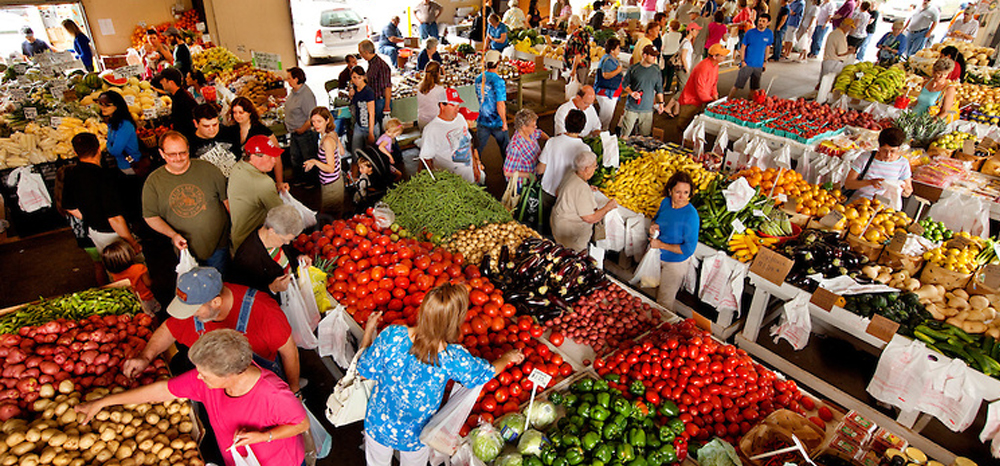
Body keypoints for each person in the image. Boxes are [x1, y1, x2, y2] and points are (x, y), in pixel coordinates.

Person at [80, 329, 308, 466]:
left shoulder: (273, 394)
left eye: (205, 374)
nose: (198, 377)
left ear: (230, 374)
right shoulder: (208, 380)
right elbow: (162, 390)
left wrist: (263, 437)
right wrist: (102, 402)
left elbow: (301, 423)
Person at [358, 283, 524, 466]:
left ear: (423, 310)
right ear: (455, 322)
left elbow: (365, 369)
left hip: (378, 423)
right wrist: (508, 357)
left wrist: (368, 332)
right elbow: (485, 373)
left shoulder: (393, 335)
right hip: (416, 434)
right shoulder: (453, 358)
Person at [123, 267, 302, 393]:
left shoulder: (264, 312)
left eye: (193, 310)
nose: (189, 315)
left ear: (216, 302)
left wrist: (294, 389)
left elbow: (289, 352)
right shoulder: (199, 311)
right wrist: (146, 356)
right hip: (215, 385)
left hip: (257, 384)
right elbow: (169, 329)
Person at [143, 131, 230, 273]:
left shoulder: (209, 169)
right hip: (185, 250)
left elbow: (227, 203)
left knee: (219, 284)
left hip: (218, 246)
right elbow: (151, 217)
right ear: (162, 153)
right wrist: (173, 235)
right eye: (172, 154)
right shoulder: (153, 182)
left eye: (182, 153)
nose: (178, 158)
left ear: (188, 149)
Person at [63, 133, 141, 254]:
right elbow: (114, 218)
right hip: (115, 234)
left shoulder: (71, 174)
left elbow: (69, 207)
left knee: (112, 269)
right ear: (99, 149)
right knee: (134, 269)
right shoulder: (105, 177)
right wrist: (132, 242)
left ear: (75, 152)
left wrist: (91, 217)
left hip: (95, 233)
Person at [231, 205, 306, 303]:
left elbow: (290, 251)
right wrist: (272, 288)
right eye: (285, 240)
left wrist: (299, 256)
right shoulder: (247, 258)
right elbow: (248, 296)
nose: (287, 243)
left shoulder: (277, 236)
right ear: (271, 231)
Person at [650, 171, 700, 310]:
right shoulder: (665, 203)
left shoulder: (691, 215)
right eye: (678, 191)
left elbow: (688, 249)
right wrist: (654, 226)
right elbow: (657, 218)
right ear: (670, 190)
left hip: (675, 263)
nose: (682, 196)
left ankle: (663, 327)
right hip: (656, 256)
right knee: (649, 289)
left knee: (665, 300)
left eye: (686, 192)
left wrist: (661, 245)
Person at [551, 152, 617, 252]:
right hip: (570, 232)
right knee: (571, 258)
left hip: (558, 222)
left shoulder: (572, 173)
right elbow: (590, 218)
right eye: (595, 166)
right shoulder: (581, 188)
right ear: (587, 169)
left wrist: (587, 188)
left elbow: (558, 192)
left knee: (560, 250)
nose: (595, 169)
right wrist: (608, 207)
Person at [228, 135, 284, 252]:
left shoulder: (239, 167)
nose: (274, 160)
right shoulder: (263, 183)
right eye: (270, 156)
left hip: (238, 240)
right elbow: (282, 215)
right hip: (255, 246)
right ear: (254, 157)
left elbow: (253, 192)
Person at [419, 88, 485, 184]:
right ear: (442, 105)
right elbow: (426, 159)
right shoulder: (431, 129)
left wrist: (475, 167)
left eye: (458, 105)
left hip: (469, 176)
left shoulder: (461, 118)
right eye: (453, 105)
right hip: (451, 183)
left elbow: (468, 143)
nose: (457, 108)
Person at [537, 109, 590, 217]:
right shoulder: (585, 149)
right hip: (568, 196)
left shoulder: (552, 142)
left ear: (565, 122)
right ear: (583, 127)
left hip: (548, 191)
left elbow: (540, 169)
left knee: (543, 223)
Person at [843, 127, 913, 207]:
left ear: (898, 149)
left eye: (892, 151)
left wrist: (904, 190)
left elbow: (908, 191)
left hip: (883, 209)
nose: (888, 155)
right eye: (885, 150)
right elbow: (848, 184)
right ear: (879, 147)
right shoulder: (865, 158)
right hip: (857, 204)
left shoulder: (903, 164)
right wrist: (870, 182)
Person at [670, 44, 729, 133]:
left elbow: (714, 83)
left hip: (701, 100)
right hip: (690, 101)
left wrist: (715, 95)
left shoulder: (715, 65)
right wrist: (710, 101)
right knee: (684, 126)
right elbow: (700, 89)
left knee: (694, 128)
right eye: (722, 55)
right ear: (714, 56)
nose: (724, 57)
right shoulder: (703, 67)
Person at [230, 97, 284, 187]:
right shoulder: (232, 131)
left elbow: (277, 157)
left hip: (262, 178)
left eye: (241, 112)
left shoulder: (262, 131)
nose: (237, 115)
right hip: (243, 178)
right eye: (234, 112)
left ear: (249, 112)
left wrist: (279, 182)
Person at [306, 107, 348, 217]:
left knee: (329, 217)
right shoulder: (332, 133)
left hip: (331, 185)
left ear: (327, 120)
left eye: (319, 121)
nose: (316, 125)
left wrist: (315, 162)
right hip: (336, 180)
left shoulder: (327, 141)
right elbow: (342, 152)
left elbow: (330, 168)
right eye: (313, 122)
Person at [102, 240, 160, 315]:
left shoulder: (113, 274)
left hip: (130, 300)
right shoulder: (139, 268)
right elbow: (148, 283)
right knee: (152, 316)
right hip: (145, 298)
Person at [620, 45, 665, 137]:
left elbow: (659, 88)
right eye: (652, 55)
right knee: (624, 135)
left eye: (655, 56)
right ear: (645, 55)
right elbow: (624, 84)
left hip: (647, 109)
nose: (654, 58)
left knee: (644, 137)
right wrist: (632, 93)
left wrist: (661, 103)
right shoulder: (633, 69)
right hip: (632, 108)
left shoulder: (656, 70)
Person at [283, 67, 318, 187]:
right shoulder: (293, 92)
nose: (287, 80)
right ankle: (300, 179)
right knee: (295, 157)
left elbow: (312, 116)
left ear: (296, 79)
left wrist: (302, 129)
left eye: (289, 78)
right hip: (295, 132)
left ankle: (311, 182)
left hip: (305, 133)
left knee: (307, 157)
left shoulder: (306, 95)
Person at [98, 91, 143, 175]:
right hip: (122, 164)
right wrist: (110, 145)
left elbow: (115, 151)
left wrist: (109, 146)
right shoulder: (112, 122)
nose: (103, 108)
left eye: (107, 105)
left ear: (117, 106)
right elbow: (110, 142)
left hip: (131, 166)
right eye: (100, 104)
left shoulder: (124, 125)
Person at [189, 103, 240, 178]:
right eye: (206, 126)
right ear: (196, 124)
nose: (212, 129)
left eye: (215, 124)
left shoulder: (229, 133)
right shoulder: (189, 144)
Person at [475, 50, 510, 156]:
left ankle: (474, 169)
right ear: (498, 63)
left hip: (482, 119)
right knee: (506, 149)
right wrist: (504, 121)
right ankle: (507, 171)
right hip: (496, 122)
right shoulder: (498, 81)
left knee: (477, 149)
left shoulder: (479, 78)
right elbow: (500, 104)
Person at [728, 15, 773, 99]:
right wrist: (742, 61)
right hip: (747, 63)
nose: (760, 23)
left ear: (768, 23)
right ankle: (728, 100)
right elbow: (743, 47)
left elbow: (767, 48)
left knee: (754, 88)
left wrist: (765, 62)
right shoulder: (750, 33)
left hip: (759, 65)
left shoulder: (769, 33)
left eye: (763, 21)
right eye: (760, 20)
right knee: (737, 85)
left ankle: (750, 104)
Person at [504, 108, 548, 191]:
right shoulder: (515, 147)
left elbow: (540, 133)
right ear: (523, 127)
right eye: (533, 125)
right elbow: (507, 172)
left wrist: (549, 141)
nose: (535, 127)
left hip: (534, 176)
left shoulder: (530, 133)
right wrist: (528, 175)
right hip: (523, 185)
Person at [158, 68, 198, 141]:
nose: (160, 82)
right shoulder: (178, 96)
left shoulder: (182, 100)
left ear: (171, 82)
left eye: (162, 80)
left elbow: (185, 126)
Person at [359, 40, 393, 125]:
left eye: (361, 53)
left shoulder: (381, 66)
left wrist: (387, 106)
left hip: (381, 102)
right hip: (374, 100)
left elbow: (387, 87)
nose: (361, 55)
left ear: (366, 52)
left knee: (382, 128)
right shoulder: (371, 64)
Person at [594, 38, 625, 130]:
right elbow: (606, 75)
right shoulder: (608, 60)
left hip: (608, 93)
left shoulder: (609, 58)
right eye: (618, 48)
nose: (619, 50)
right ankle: (599, 137)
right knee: (605, 119)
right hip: (607, 93)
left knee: (605, 118)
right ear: (612, 50)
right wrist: (618, 70)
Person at [349, 66, 378, 151]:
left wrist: (371, 133)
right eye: (354, 77)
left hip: (370, 126)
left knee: (372, 152)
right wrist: (350, 94)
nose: (357, 80)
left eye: (359, 77)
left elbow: (371, 113)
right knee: (356, 150)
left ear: (363, 77)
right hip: (359, 125)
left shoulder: (368, 92)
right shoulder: (354, 89)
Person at [673, 23, 700, 101]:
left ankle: (675, 109)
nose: (697, 32)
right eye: (696, 30)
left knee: (680, 88)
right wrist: (687, 69)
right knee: (684, 89)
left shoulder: (685, 41)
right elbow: (683, 57)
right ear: (691, 30)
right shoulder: (687, 43)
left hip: (681, 68)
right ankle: (668, 107)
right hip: (683, 68)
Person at [563, 16, 592, 85]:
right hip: (584, 64)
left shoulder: (577, 35)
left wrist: (573, 69)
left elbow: (577, 54)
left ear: (572, 23)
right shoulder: (584, 32)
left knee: (577, 87)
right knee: (581, 87)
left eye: (569, 23)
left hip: (579, 66)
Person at [417, 62, 446, 128]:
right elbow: (444, 106)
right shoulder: (439, 89)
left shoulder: (419, 87)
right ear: (438, 73)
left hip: (422, 120)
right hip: (435, 121)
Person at [661, 21, 684, 93]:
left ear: (670, 27)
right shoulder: (680, 35)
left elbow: (663, 46)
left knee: (663, 73)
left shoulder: (666, 35)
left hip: (665, 55)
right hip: (674, 56)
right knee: (670, 74)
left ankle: (660, 88)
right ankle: (667, 89)